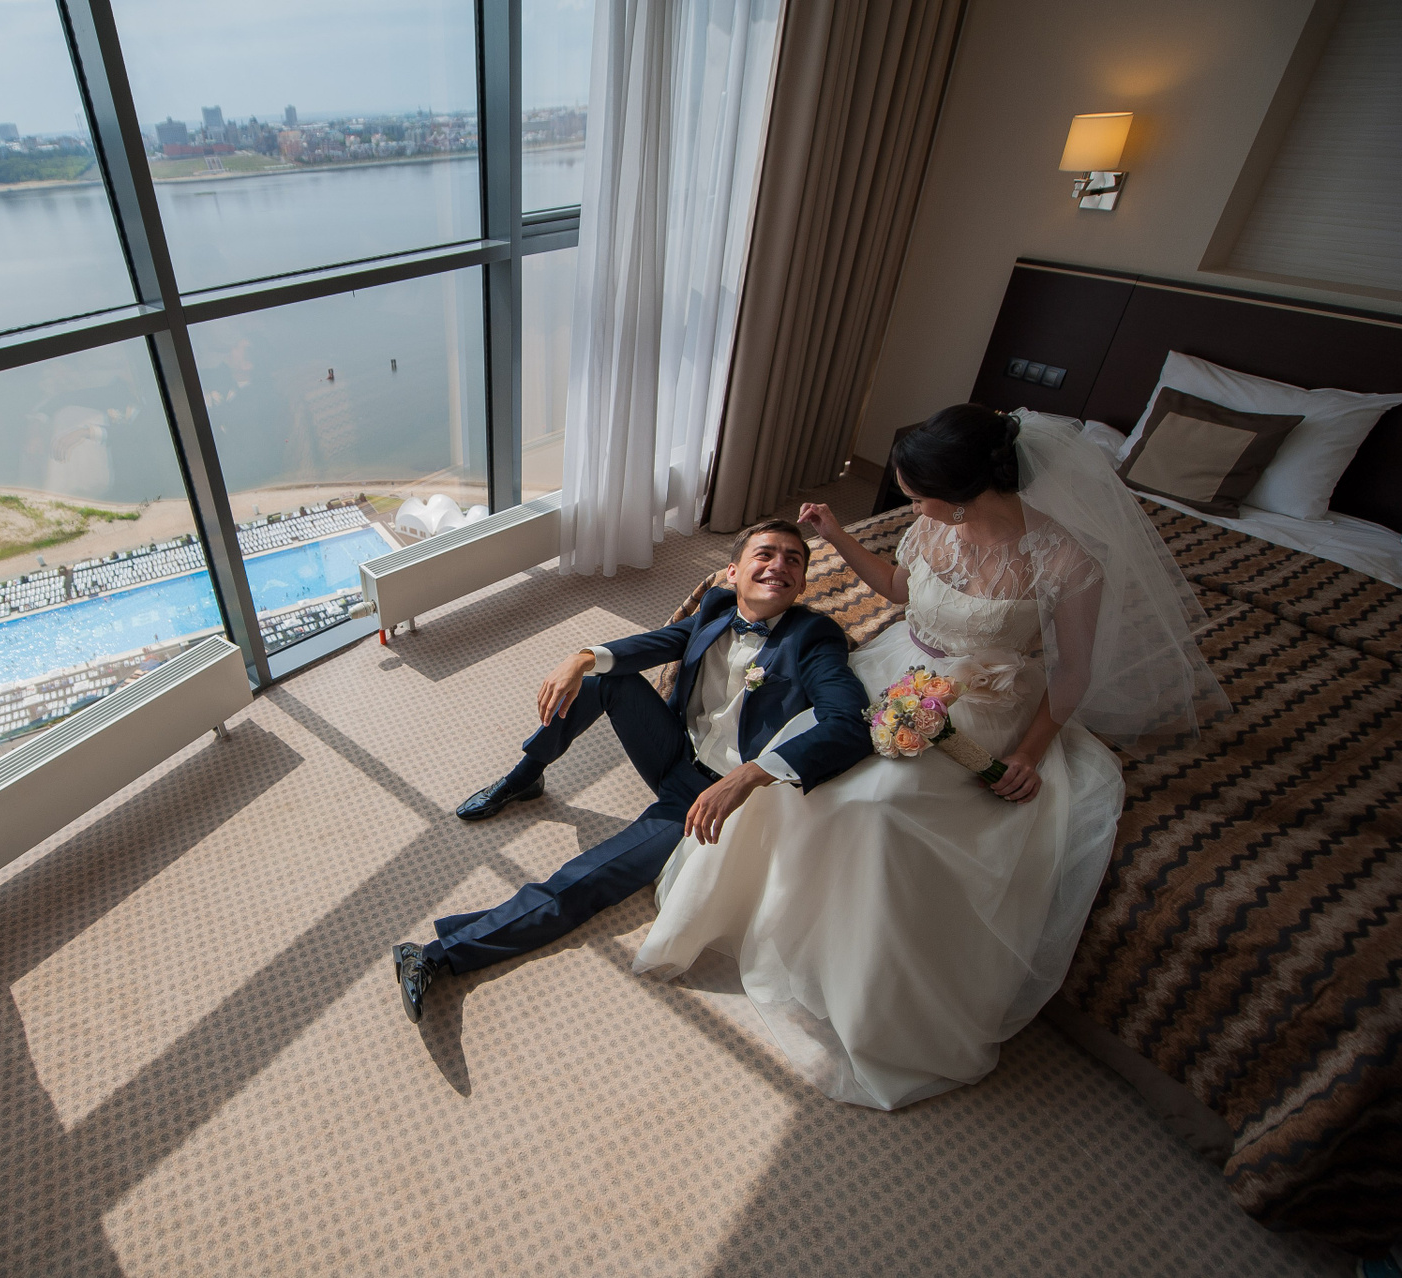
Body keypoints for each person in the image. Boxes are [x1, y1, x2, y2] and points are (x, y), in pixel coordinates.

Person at [631, 404, 1225, 1109]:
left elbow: (1072, 675)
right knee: (800, 756)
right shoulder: (934, 525)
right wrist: (837, 535)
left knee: (878, 806)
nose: (909, 506)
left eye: (918, 496)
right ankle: (769, 924)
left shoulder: (1068, 561)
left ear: (964, 493)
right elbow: (900, 590)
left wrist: (1030, 752)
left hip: (983, 699)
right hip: (897, 665)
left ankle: (863, 992)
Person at [393, 520, 874, 1021]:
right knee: (602, 678)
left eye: (793, 560)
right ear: (733, 572)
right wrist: (582, 657)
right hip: (673, 748)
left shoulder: (815, 638)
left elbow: (850, 724)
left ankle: (435, 955)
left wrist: (752, 774)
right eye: (766, 554)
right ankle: (525, 776)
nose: (779, 566)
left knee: (588, 879)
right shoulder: (716, 606)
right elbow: (659, 642)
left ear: (801, 582)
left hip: (705, 797)